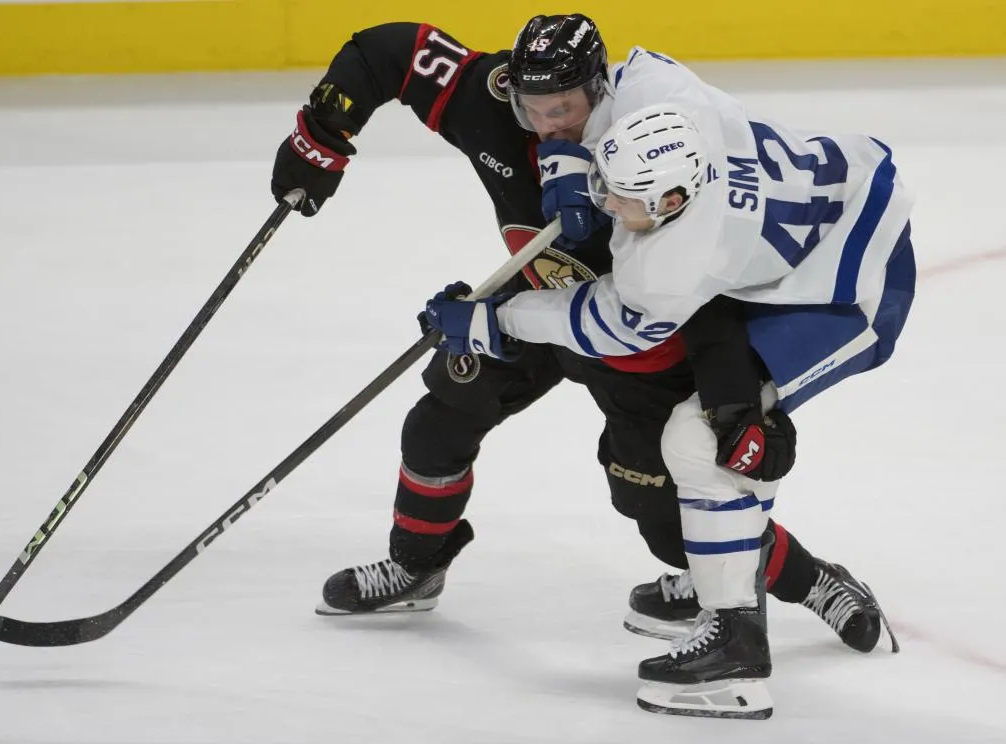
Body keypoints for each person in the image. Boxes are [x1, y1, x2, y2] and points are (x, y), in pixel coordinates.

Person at [270, 15, 891, 654]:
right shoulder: (492, 101)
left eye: (563, 107)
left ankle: (816, 581)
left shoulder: (656, 147)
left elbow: (627, 318)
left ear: (599, 89)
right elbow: (390, 52)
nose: (546, 124)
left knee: (665, 523)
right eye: (531, 108)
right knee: (439, 422)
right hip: (538, 301)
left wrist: (510, 301)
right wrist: (323, 137)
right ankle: (416, 564)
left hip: (645, 340)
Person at [423, 37, 914, 717]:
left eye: (624, 204)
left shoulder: (673, 264)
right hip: (826, 209)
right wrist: (573, 156)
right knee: (707, 432)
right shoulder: (657, 90)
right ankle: (726, 573)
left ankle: (737, 649)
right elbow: (619, 91)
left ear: (675, 199)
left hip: (849, 284)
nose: (607, 209)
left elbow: (601, 324)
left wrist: (492, 321)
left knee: (704, 442)